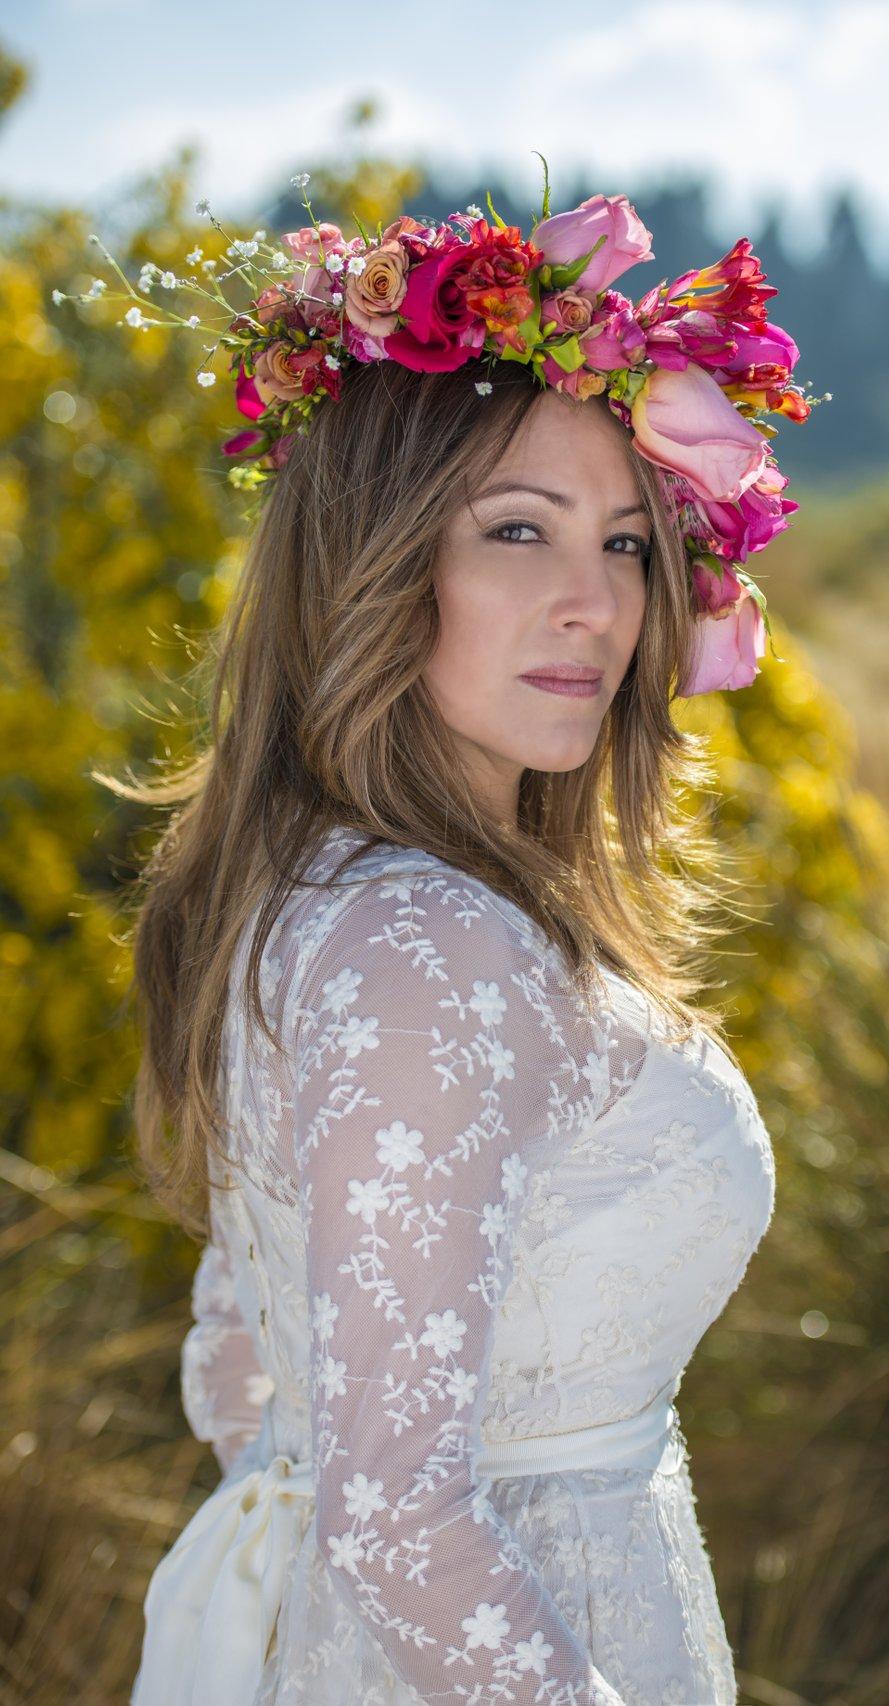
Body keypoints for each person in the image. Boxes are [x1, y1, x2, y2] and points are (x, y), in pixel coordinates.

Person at [74, 173, 807, 1705]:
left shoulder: (332, 890)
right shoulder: (420, 943)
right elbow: (398, 1519)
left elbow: (239, 1360)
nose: (591, 605)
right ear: (377, 563)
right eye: (518, 531)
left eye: (623, 543)